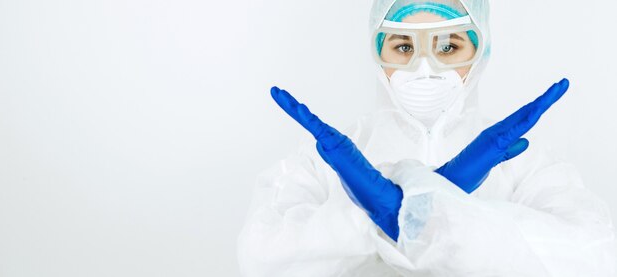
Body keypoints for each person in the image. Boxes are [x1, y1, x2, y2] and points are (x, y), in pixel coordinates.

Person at [238, 0, 617, 276]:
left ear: (480, 50)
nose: (424, 67)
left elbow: (595, 257)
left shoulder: (525, 161)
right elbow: (258, 257)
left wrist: (427, 208)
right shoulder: (327, 157)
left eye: (448, 47)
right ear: (376, 51)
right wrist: (364, 219)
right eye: (403, 47)